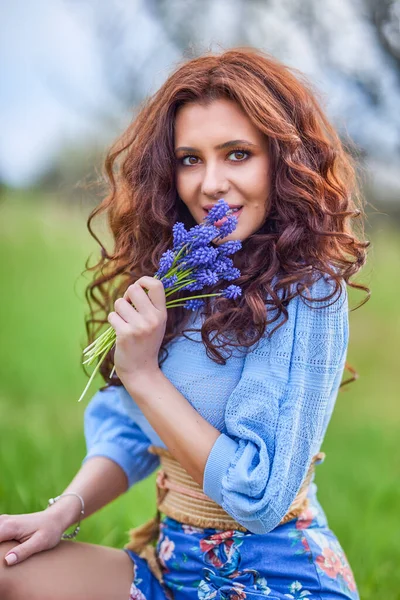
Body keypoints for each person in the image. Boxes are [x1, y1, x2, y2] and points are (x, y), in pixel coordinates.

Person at [0, 47, 370, 600]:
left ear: (283, 159)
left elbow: (260, 496)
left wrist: (145, 374)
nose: (210, 184)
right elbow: (129, 425)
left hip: (282, 578)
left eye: (237, 154)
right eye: (190, 159)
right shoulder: (180, 277)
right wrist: (61, 514)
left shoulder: (310, 293)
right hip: (172, 571)